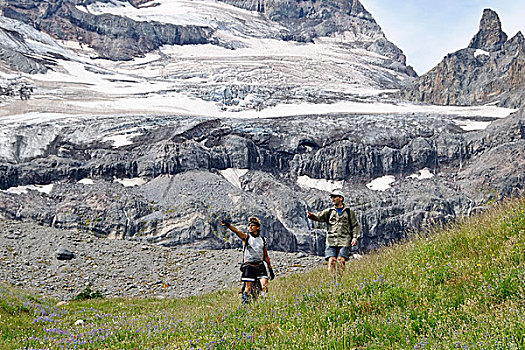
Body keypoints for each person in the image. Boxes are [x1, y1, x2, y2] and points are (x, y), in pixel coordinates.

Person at [220, 216, 275, 304]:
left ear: (257, 227)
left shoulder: (262, 240)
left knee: (264, 285)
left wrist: (270, 269)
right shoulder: (246, 237)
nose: (250, 227)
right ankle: (245, 304)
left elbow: (265, 256)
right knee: (248, 288)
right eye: (249, 225)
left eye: (252, 225)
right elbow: (237, 231)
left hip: (260, 265)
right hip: (249, 266)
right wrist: (228, 225)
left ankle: (264, 303)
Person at [306, 189, 360, 274]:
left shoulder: (349, 212)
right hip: (331, 240)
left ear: (341, 198)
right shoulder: (329, 211)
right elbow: (319, 216)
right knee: (331, 260)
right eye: (332, 197)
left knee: (341, 260)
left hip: (345, 240)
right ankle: (333, 280)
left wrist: (355, 238)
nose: (333, 199)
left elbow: (355, 225)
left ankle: (339, 279)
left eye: (335, 197)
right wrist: (311, 216)